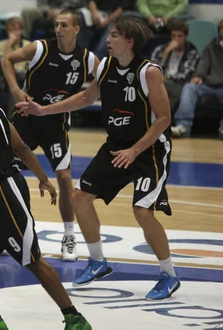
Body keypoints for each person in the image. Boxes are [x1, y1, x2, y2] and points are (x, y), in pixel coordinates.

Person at [19, 17, 181, 301]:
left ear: (129, 41)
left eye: (115, 35)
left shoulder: (149, 72)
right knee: (80, 197)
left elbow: (165, 118)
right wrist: (44, 110)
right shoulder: (105, 66)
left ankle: (169, 274)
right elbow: (84, 98)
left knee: (142, 211)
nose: (108, 39)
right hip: (116, 146)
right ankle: (97, 261)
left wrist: (135, 151)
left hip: (149, 149)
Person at [0, 65, 92, 330]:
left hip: (4, 193)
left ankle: (74, 317)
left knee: (32, 259)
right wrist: (43, 177)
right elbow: (21, 146)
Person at [2, 9, 99, 261]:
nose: (58, 29)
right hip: (25, 120)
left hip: (55, 123)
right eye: (56, 24)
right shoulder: (39, 49)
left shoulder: (88, 59)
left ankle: (69, 236)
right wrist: (15, 90)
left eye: (64, 25)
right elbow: (7, 60)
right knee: (3, 172)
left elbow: (107, 79)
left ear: (76, 29)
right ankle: (3, 229)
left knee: (65, 178)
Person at [171, 19, 223, 139]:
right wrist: (198, 76)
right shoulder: (211, 46)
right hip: (208, 85)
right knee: (190, 87)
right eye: (222, 28)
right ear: (219, 30)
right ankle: (183, 126)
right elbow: (203, 64)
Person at [150, 20, 199, 112]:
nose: (176, 39)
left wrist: (167, 77)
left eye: (180, 36)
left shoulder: (191, 52)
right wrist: (167, 52)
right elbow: (151, 68)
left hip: (177, 83)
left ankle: (159, 118)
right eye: (173, 36)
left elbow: (186, 74)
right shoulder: (161, 49)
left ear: (186, 36)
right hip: (159, 82)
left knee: (175, 91)